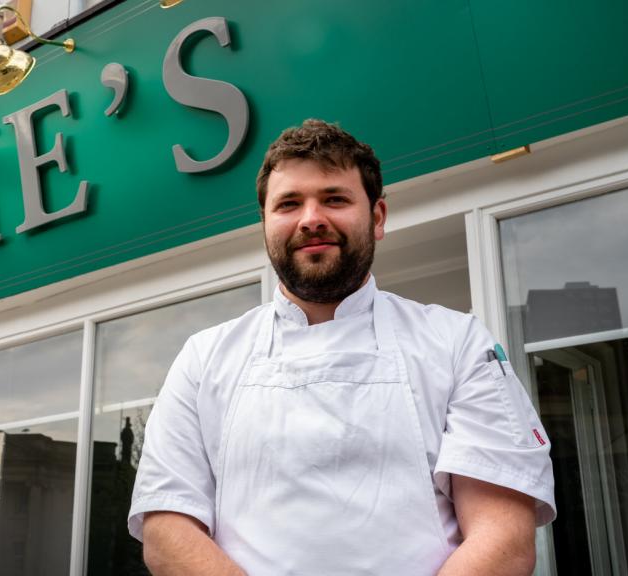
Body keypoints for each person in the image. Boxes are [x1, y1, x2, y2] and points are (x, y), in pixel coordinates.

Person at [127, 120, 555, 575]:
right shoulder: (204, 358)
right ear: (266, 225)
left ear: (377, 217)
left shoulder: (457, 342)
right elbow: (166, 529)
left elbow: (503, 539)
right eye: (289, 204)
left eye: (334, 198)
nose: (311, 219)